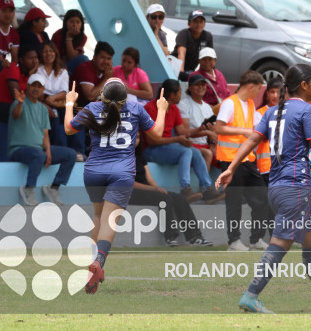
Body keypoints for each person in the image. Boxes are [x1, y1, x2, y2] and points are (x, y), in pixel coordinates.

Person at [216, 63, 311, 314]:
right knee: (281, 242)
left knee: (310, 241)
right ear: (303, 85)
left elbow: (253, 140)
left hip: (276, 186)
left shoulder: (272, 112)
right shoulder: (306, 110)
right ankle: (251, 295)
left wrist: (231, 167)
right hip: (295, 186)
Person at [64, 79, 168, 294]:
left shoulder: (92, 108)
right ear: (125, 98)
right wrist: (162, 109)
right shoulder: (136, 108)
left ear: (102, 94)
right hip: (121, 172)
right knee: (109, 220)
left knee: (98, 216)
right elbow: (157, 133)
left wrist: (69, 102)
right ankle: (99, 261)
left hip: (93, 171)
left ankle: (93, 264)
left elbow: (68, 129)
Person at [215, 70, 271, 251]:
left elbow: (255, 128)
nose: (259, 92)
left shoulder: (250, 104)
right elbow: (219, 128)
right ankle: (234, 241)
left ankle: (256, 239)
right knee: (234, 201)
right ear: (251, 86)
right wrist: (242, 131)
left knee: (262, 197)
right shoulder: (229, 103)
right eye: (259, 88)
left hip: (248, 160)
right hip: (230, 161)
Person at [143, 79, 223, 202]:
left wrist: (200, 129)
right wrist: (177, 139)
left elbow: (183, 133)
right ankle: (185, 189)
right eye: (179, 92)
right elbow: (152, 141)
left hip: (167, 147)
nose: (181, 94)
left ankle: (207, 190)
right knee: (186, 151)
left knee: (195, 152)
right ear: (172, 95)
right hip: (151, 150)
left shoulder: (173, 108)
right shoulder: (150, 108)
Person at [129, 134, 212, 247]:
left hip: (147, 190)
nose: (136, 140)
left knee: (180, 198)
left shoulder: (139, 156)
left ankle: (195, 237)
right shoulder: (119, 157)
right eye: (133, 136)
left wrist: (157, 188)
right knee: (164, 199)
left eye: (138, 137)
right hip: (131, 193)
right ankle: (170, 237)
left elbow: (149, 179)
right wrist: (153, 189)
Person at [9, 74, 77, 206]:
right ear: (27, 86)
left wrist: (49, 152)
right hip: (19, 149)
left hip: (38, 150)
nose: (36, 89)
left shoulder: (43, 109)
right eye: (33, 85)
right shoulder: (19, 103)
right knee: (38, 154)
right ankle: (28, 189)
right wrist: (20, 103)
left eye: (39, 86)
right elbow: (16, 115)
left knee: (71, 154)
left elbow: (45, 134)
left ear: (43, 89)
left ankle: (54, 188)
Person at [0, 45, 39, 123]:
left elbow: (37, 96)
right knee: (28, 111)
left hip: (11, 107)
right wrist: (31, 76)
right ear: (21, 60)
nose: (35, 61)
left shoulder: (29, 74)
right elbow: (16, 97)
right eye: (30, 58)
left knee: (43, 110)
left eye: (36, 58)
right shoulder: (14, 67)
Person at [177, 73, 217, 170]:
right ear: (189, 87)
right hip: (191, 144)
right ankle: (205, 185)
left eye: (203, 85)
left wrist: (212, 137)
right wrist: (207, 132)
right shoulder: (184, 104)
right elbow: (185, 132)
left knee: (228, 154)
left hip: (207, 144)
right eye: (197, 84)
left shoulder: (207, 107)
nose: (201, 87)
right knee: (208, 153)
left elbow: (214, 131)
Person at [37, 41, 70, 146]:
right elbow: (37, 90)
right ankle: (58, 148)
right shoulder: (38, 70)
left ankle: (78, 151)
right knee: (54, 115)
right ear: (41, 54)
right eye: (45, 51)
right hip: (43, 102)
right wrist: (49, 99)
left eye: (51, 51)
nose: (48, 54)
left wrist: (53, 98)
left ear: (55, 53)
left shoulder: (62, 71)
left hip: (58, 101)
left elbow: (65, 91)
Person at [255, 76, 283, 183]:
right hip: (266, 168)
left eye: (278, 92)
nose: (275, 96)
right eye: (272, 92)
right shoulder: (259, 114)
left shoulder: (288, 112)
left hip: (283, 168)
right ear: (267, 93)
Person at [71, 41, 115, 107]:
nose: (106, 62)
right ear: (94, 57)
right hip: (77, 105)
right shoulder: (85, 68)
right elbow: (90, 96)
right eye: (102, 57)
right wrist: (106, 79)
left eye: (109, 59)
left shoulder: (107, 71)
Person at [171, 9, 213, 74]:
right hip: (174, 67)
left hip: (191, 70)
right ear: (189, 24)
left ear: (204, 24)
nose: (198, 24)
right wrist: (181, 74)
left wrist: (211, 74)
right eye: (195, 21)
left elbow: (210, 57)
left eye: (201, 21)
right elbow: (181, 54)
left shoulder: (208, 36)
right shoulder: (184, 34)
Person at [190, 47, 229, 113]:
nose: (207, 62)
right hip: (204, 112)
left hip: (223, 111)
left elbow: (227, 93)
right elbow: (193, 99)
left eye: (210, 59)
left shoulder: (219, 74)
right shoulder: (194, 76)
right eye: (204, 60)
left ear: (215, 60)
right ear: (199, 61)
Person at [51, 9, 88, 74]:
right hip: (57, 65)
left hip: (70, 64)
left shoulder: (83, 37)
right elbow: (55, 57)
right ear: (66, 22)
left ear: (82, 24)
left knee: (84, 60)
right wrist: (68, 36)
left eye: (77, 22)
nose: (74, 25)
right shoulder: (58, 35)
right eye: (71, 22)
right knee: (83, 59)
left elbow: (72, 57)